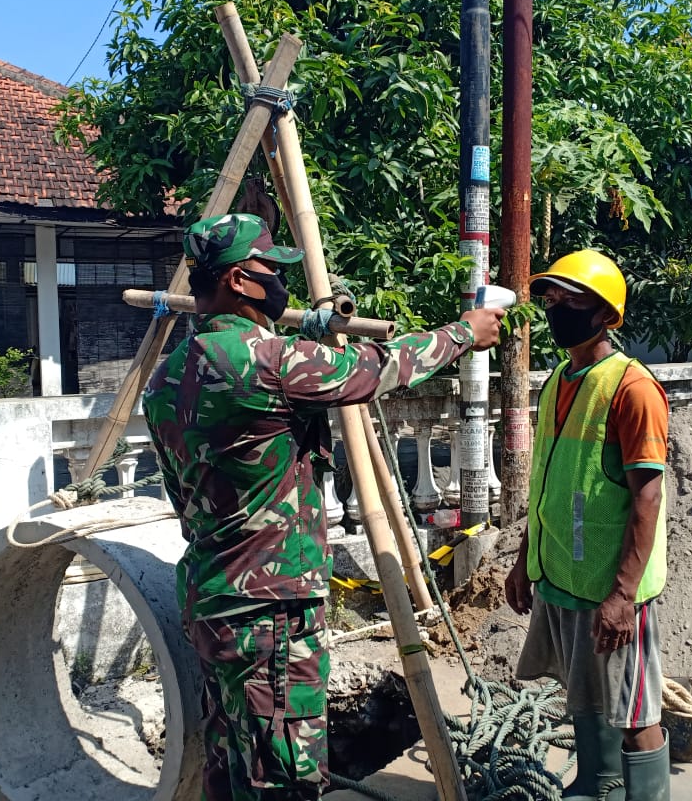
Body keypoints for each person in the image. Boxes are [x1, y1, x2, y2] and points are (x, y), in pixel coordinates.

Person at [143, 212, 505, 801]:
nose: (279, 282)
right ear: (238, 280)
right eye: (269, 270)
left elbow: (184, 502)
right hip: (270, 611)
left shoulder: (167, 378)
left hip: (211, 598)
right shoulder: (269, 362)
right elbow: (377, 369)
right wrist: (462, 332)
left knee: (232, 768)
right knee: (285, 780)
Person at [503, 248, 670, 801]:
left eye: (567, 301)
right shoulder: (559, 379)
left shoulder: (632, 388)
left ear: (603, 313)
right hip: (565, 578)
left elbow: (646, 497)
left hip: (611, 588)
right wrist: (527, 560)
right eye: (549, 300)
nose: (554, 310)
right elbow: (549, 483)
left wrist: (623, 594)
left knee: (632, 705)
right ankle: (599, 783)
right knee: (585, 693)